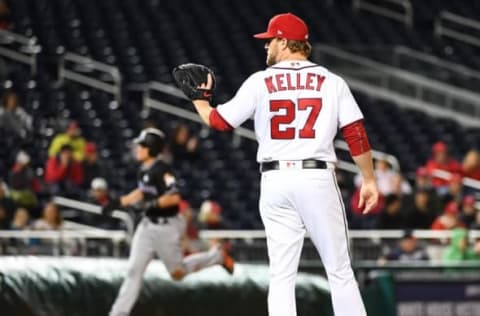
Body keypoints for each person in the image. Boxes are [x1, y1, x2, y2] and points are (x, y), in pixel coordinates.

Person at [175, 13, 379, 316]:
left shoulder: (260, 81)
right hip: (316, 177)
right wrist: (369, 180)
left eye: (270, 40)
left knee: (281, 275)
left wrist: (200, 100)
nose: (266, 45)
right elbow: (355, 133)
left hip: (275, 180)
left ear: (285, 42)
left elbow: (218, 121)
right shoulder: (331, 81)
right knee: (339, 271)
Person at [102, 128, 234, 316]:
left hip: (168, 226)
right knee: (133, 270)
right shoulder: (144, 169)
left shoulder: (163, 169)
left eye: (142, 145)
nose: (138, 149)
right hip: (148, 226)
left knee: (177, 273)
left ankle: (217, 256)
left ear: (152, 148)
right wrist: (119, 202)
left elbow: (174, 198)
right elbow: (142, 191)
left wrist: (152, 203)